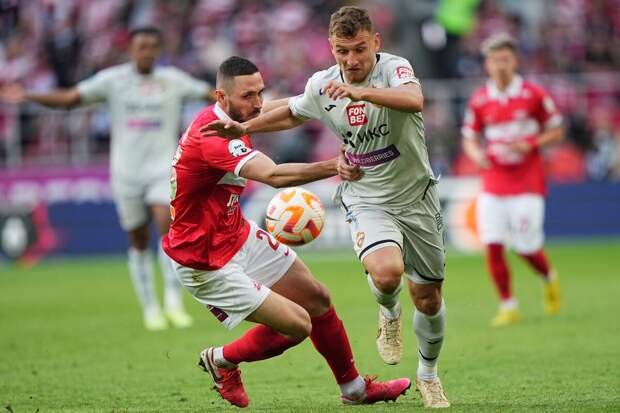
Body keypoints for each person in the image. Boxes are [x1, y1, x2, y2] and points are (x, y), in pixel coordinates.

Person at [202, 7, 450, 409]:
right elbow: (292, 112)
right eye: (341, 51)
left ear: (375, 43)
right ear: (331, 48)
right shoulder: (322, 84)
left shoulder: (395, 69)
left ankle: (428, 374)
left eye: (359, 49)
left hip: (417, 196)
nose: (351, 60)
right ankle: (389, 313)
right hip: (366, 195)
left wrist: (361, 93)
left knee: (429, 299)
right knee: (387, 275)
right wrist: (245, 127)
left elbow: (414, 100)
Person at [163, 55, 411, 408]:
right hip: (204, 261)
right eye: (248, 96)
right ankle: (221, 360)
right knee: (298, 324)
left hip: (235, 234)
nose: (257, 103)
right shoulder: (213, 137)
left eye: (259, 92)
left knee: (317, 299)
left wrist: (324, 98)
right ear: (221, 97)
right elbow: (274, 175)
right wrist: (335, 165)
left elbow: (285, 108)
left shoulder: (234, 118)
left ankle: (355, 390)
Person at [0, 27, 213, 331]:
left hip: (162, 170)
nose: (146, 52)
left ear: (159, 50)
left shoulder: (173, 80)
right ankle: (150, 307)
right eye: (141, 46)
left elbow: (209, 94)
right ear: (131, 50)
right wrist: (27, 95)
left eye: (152, 47)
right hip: (126, 173)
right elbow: (71, 99)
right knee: (138, 239)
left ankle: (173, 303)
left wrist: (239, 99)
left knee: (167, 229)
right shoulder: (113, 80)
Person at [461, 33, 564, 327]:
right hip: (494, 178)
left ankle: (548, 277)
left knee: (525, 246)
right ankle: (508, 304)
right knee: (492, 243)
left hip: (527, 179)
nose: (500, 66)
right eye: (494, 60)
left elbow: (557, 130)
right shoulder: (480, 99)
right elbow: (469, 137)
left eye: (505, 59)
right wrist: (477, 155)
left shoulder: (534, 94)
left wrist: (531, 144)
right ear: (487, 64)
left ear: (515, 61)